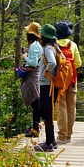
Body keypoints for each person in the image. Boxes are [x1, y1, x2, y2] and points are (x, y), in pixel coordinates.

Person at [55, 20, 81, 144]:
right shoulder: (73, 45)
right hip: (72, 80)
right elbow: (78, 63)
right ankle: (69, 135)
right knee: (71, 108)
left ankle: (62, 135)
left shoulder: (53, 44)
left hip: (59, 81)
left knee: (61, 107)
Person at [34, 23, 59, 152]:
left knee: (46, 112)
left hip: (47, 86)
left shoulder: (48, 48)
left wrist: (46, 72)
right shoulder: (56, 47)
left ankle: (49, 143)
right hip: (51, 86)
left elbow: (52, 63)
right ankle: (52, 140)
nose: (40, 37)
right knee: (48, 112)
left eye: (41, 34)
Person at [21, 21, 43, 138]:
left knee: (35, 102)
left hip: (32, 76)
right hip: (35, 76)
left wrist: (25, 57)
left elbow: (33, 63)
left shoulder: (34, 45)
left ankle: (35, 129)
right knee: (36, 102)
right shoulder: (36, 45)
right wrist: (27, 53)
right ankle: (35, 128)